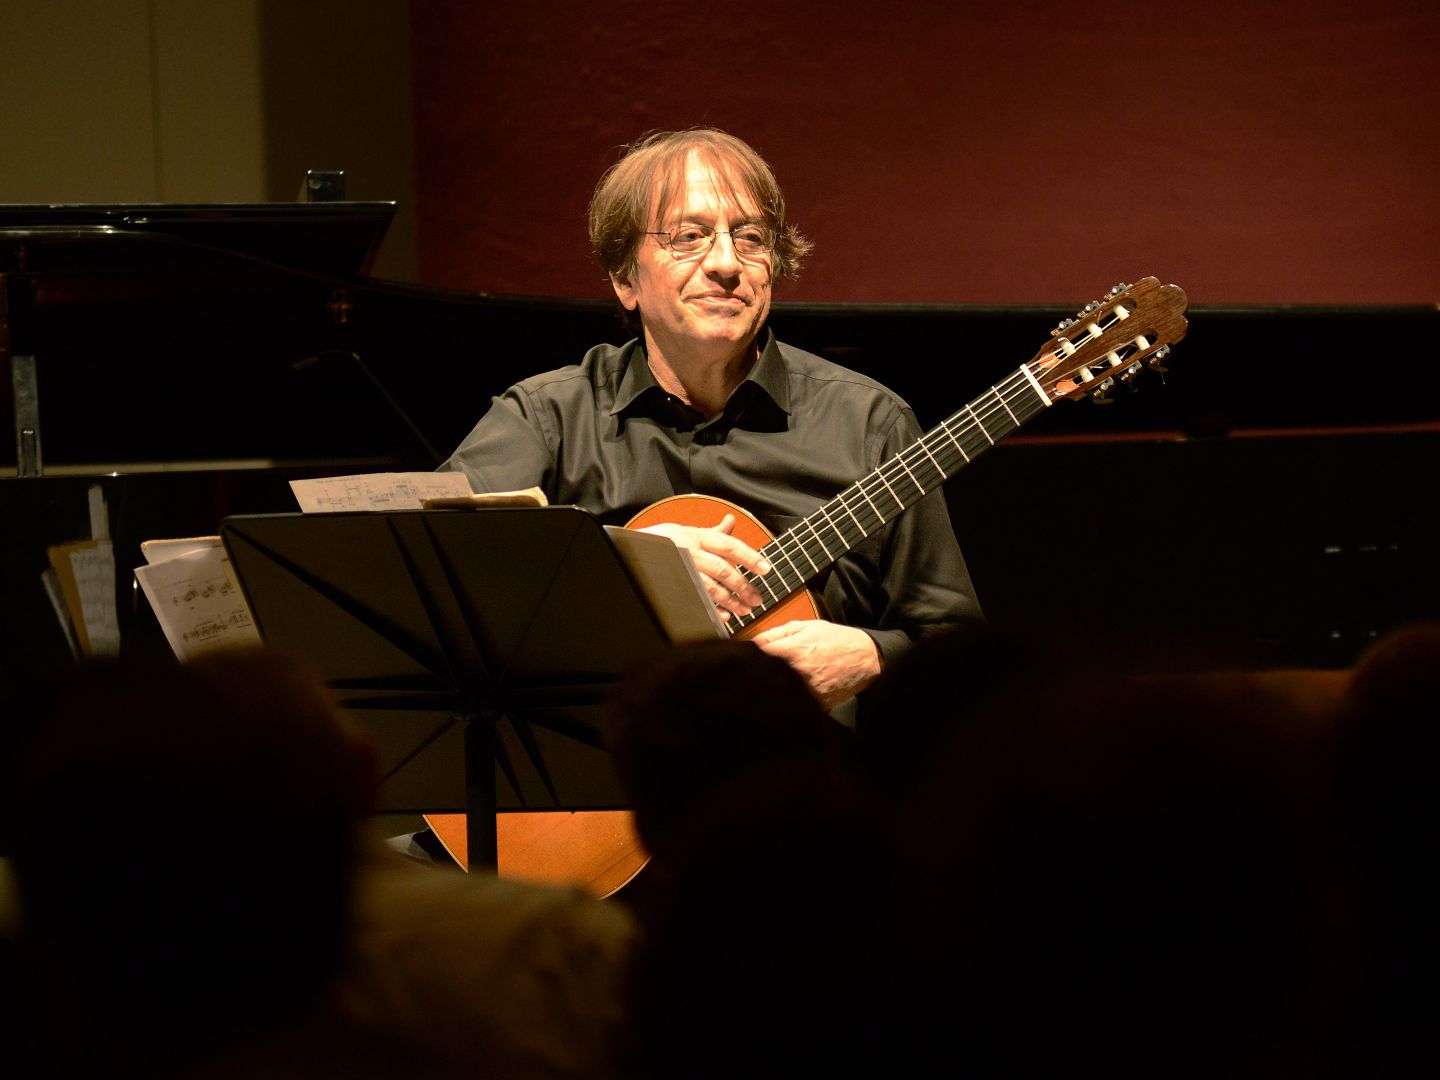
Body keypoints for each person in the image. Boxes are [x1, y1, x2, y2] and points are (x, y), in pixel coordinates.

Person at [443, 127, 981, 718]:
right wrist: (623, 563)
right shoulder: (549, 416)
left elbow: (956, 643)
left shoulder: (869, 422)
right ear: (625, 280)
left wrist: (875, 656)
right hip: (598, 766)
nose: (726, 264)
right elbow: (432, 556)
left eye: (750, 238)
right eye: (688, 237)